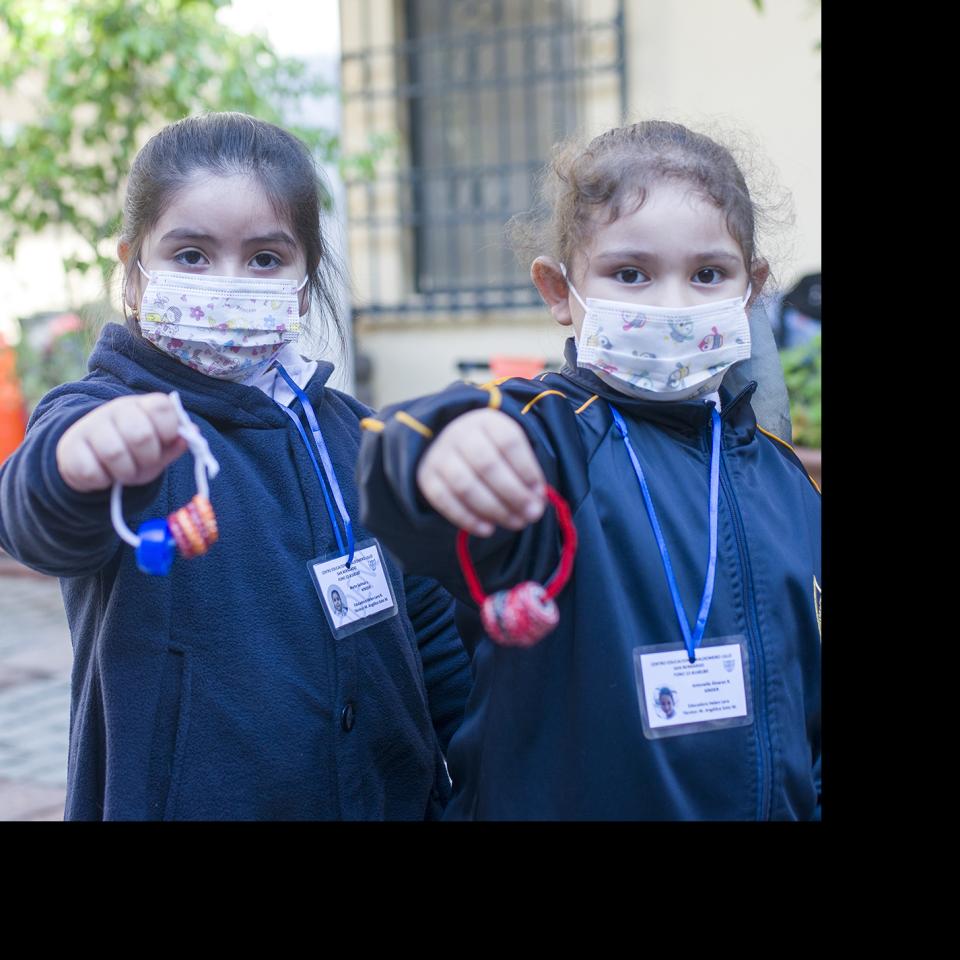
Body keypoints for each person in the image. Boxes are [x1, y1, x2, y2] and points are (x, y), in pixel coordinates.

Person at [0, 113, 470, 820]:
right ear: (133, 269)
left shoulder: (355, 434)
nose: (229, 282)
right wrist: (75, 463)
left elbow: (429, 627)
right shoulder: (107, 415)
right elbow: (36, 521)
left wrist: (464, 782)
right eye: (191, 255)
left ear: (305, 281)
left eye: (264, 259)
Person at [358, 120, 821, 820]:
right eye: (630, 274)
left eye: (708, 274)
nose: (672, 304)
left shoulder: (784, 477)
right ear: (558, 289)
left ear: (751, 289)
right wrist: (448, 446)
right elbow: (404, 471)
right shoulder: (546, 440)